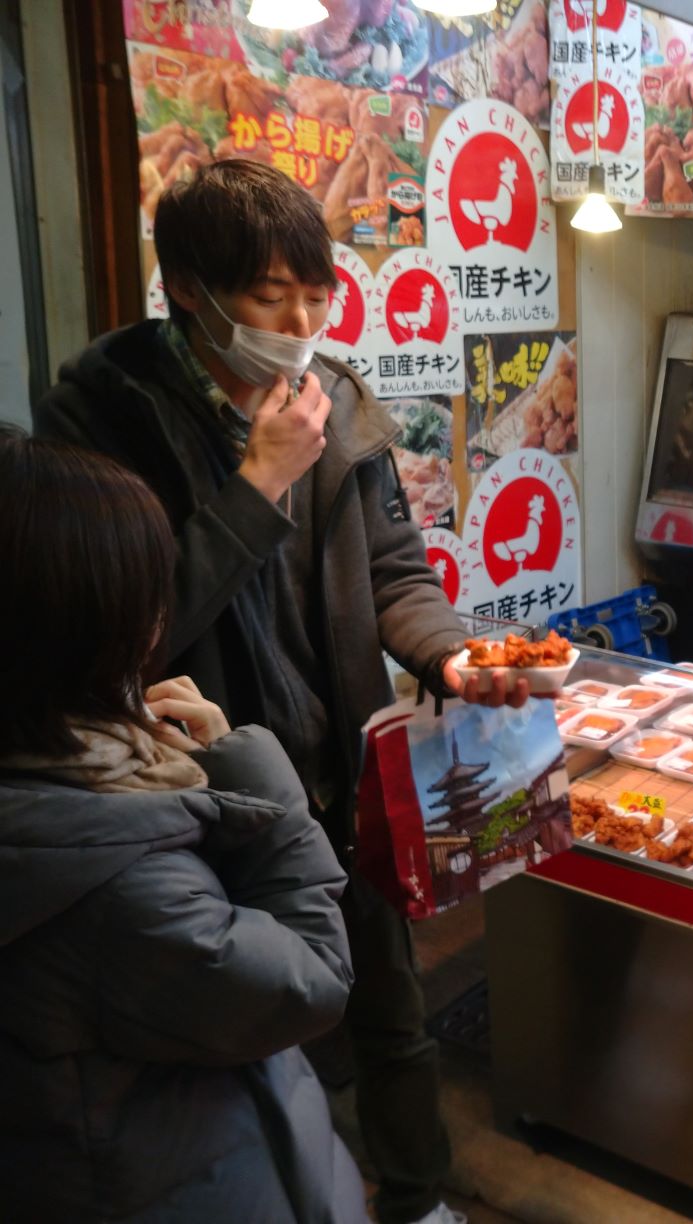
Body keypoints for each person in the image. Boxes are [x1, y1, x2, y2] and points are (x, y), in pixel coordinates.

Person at [33, 159, 511, 1224]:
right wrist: (259, 483)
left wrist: (450, 657)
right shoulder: (100, 420)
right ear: (187, 291)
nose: (301, 323)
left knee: (391, 1002)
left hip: (342, 762)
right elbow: (123, 630)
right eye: (268, 296)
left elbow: (397, 572)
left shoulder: (332, 398)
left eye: (317, 293)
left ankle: (419, 1198)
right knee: (254, 1033)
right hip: (199, 785)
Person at [0, 429, 364, 1223]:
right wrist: (253, 772)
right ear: (77, 631)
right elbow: (313, 974)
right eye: (144, 595)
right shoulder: (124, 890)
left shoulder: (46, 785)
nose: (159, 619)